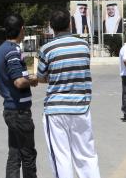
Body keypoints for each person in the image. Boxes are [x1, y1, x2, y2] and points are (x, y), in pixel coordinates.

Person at [37, 10, 100, 178]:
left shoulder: (46, 49)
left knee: (61, 157)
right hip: (81, 107)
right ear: (70, 24)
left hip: (56, 110)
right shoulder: (83, 46)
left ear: (51, 27)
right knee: (87, 155)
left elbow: (41, 77)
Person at [0, 14, 38, 178]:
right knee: (28, 156)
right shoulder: (12, 51)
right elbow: (19, 82)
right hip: (19, 112)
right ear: (21, 29)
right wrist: (33, 80)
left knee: (15, 154)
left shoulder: (1, 50)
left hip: (11, 110)